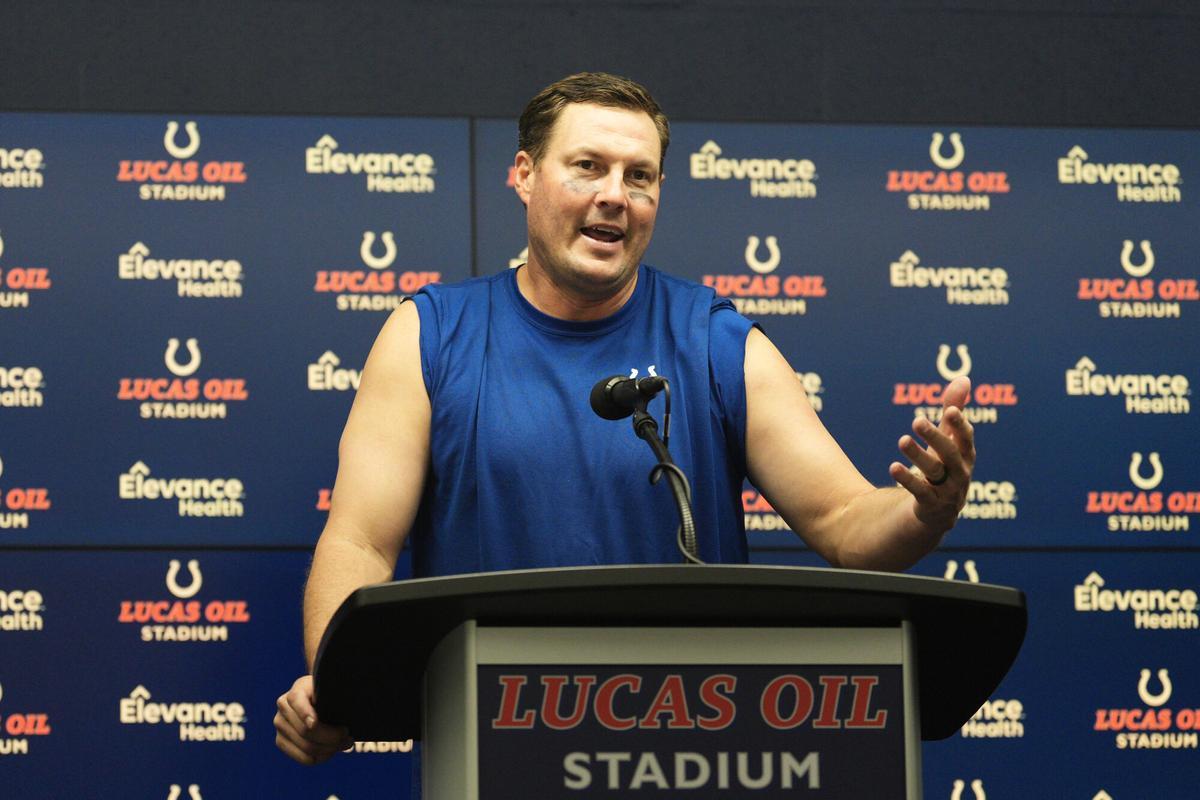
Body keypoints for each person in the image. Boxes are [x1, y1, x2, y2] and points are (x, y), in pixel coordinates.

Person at [274, 72, 975, 766]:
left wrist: (925, 514)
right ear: (524, 175)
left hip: (695, 755)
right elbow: (361, 542)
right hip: (495, 750)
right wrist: (336, 685)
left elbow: (846, 523)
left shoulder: (716, 341)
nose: (615, 194)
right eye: (587, 167)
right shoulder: (429, 334)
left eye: (640, 176)